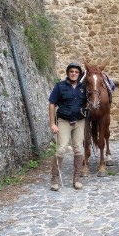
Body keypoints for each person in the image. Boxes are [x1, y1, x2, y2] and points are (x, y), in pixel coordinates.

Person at [48, 62, 87, 191]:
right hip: (64, 121)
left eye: (76, 72)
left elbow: (90, 101)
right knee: (61, 149)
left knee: (79, 150)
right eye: (71, 71)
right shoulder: (60, 86)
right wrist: (53, 123)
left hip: (79, 122)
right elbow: (52, 104)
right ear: (68, 73)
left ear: (79, 74)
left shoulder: (84, 87)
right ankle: (55, 179)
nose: (74, 73)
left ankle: (76, 180)